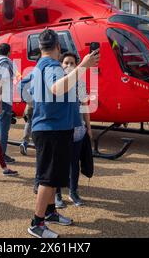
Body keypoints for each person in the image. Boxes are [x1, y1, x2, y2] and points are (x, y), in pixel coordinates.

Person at [23, 29, 99, 238]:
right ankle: (36, 224)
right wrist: (83, 65)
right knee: (49, 178)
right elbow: (56, 88)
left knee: (53, 176)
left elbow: (32, 93)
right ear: (58, 46)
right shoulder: (52, 66)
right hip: (52, 129)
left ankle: (50, 213)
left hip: (47, 128)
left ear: (40, 47)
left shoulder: (39, 65)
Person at [55, 52, 93, 208]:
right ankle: (57, 194)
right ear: (60, 64)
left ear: (77, 65)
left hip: (77, 130)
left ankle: (73, 191)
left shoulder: (81, 84)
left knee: (74, 163)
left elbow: (85, 107)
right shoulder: (57, 83)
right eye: (65, 62)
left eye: (72, 63)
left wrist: (88, 128)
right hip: (60, 129)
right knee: (58, 163)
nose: (68, 65)